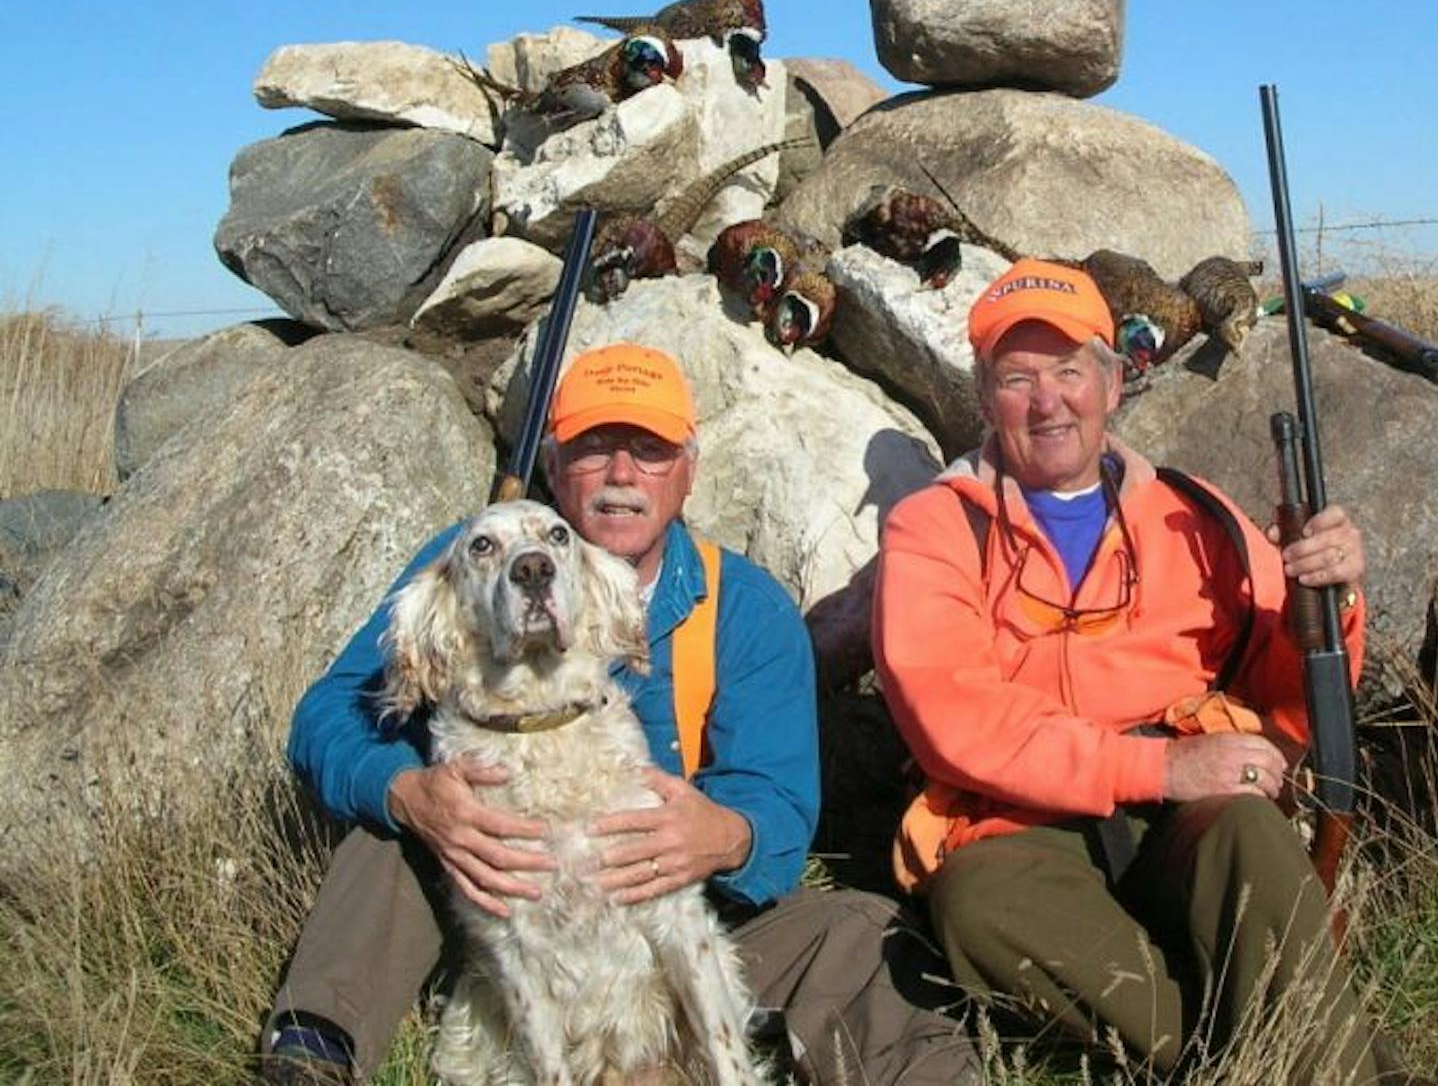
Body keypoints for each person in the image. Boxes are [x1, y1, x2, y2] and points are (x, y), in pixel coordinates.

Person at [262, 342, 976, 1086]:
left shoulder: (746, 609)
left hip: (676, 928)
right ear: (553, 463)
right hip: (500, 927)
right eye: (594, 449)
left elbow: (782, 805)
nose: (622, 475)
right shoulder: (466, 562)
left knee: (858, 931)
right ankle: (318, 1046)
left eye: (651, 451)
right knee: (389, 825)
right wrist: (409, 794)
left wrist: (729, 835)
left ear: (689, 471)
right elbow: (327, 717)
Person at [872, 259, 1428, 1084]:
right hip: (1024, 824)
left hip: (1190, 817)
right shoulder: (933, 528)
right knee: (975, 905)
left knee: (1245, 827)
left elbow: (1294, 694)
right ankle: (1259, 1056)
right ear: (986, 399)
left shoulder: (1193, 509)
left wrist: (1333, 604)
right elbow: (953, 719)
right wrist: (1155, 766)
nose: (1048, 400)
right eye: (1018, 378)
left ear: (1114, 381)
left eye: (1069, 370)